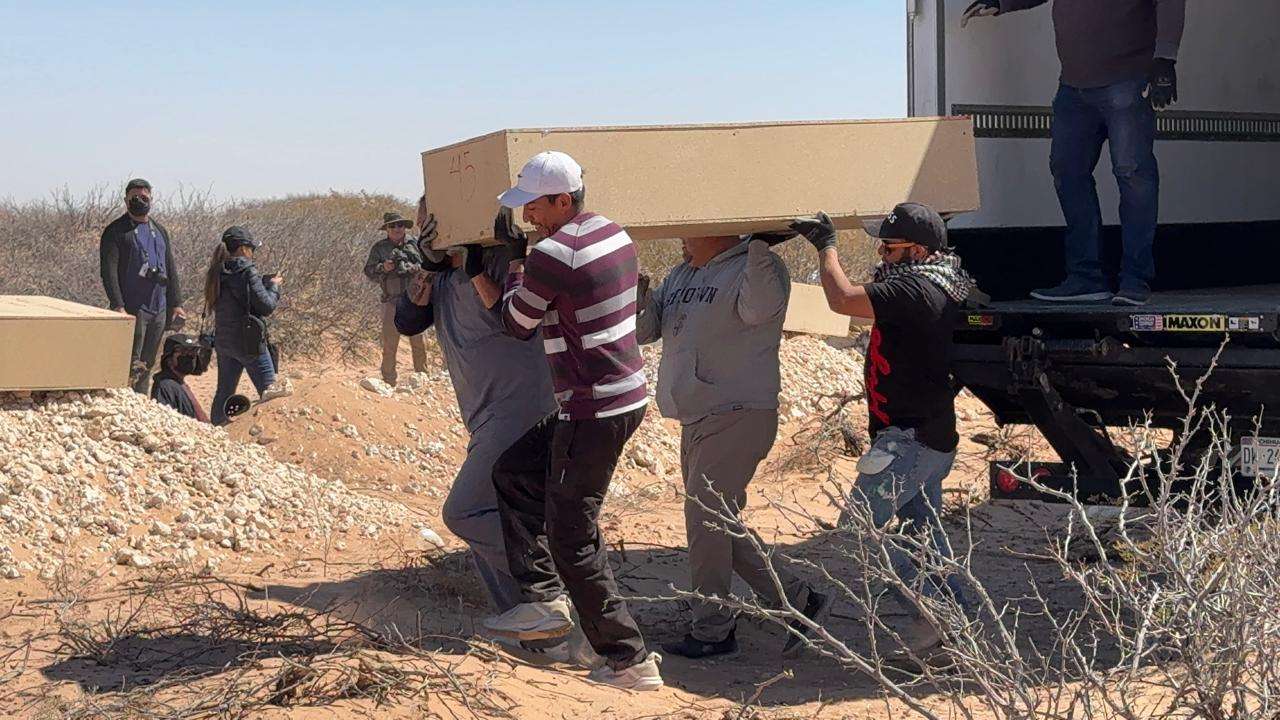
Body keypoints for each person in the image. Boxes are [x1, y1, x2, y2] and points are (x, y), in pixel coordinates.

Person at [483, 150, 662, 690]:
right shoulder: (613, 232)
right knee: (514, 472)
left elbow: (517, 323)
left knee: (572, 537)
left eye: (534, 206)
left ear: (563, 201)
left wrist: (514, 266)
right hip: (617, 397)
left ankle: (628, 659)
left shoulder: (553, 253)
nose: (526, 217)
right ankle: (543, 600)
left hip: (592, 407)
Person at [792, 203, 975, 664]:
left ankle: (936, 619)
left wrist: (827, 248)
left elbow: (842, 300)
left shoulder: (916, 288)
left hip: (910, 441)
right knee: (923, 538)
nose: (882, 253)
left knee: (859, 533)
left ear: (918, 251)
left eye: (890, 248)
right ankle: (959, 627)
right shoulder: (937, 281)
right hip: (926, 436)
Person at [635, 233, 828, 658]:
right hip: (696, 416)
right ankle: (798, 598)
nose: (682, 236)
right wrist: (637, 290)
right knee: (717, 523)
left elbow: (759, 310)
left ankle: (713, 629)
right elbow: (643, 331)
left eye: (692, 228)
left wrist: (758, 245)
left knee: (705, 517)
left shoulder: (757, 268)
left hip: (739, 412)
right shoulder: (682, 274)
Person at [393, 205, 560, 629]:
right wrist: (431, 264)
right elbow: (406, 321)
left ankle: (556, 582)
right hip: (486, 417)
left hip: (521, 411)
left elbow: (516, 318)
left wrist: (481, 264)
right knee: (494, 520)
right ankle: (529, 625)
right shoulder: (439, 275)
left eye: (429, 220)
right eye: (422, 222)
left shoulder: (498, 261)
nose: (424, 229)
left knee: (465, 512)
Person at [962, 0, 1186, 306]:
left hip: (1128, 80)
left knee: (1133, 174)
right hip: (1073, 86)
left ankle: (1135, 279)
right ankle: (1086, 278)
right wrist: (1002, 3)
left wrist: (1165, 59)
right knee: (1067, 172)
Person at [98, 178, 186, 393]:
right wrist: (117, 305)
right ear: (126, 200)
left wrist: (176, 304)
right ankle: (123, 400)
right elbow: (108, 272)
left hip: (158, 308)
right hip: (132, 308)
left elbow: (170, 268)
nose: (139, 201)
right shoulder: (116, 232)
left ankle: (141, 400)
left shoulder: (159, 230)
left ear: (151, 199)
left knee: (147, 363)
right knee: (131, 362)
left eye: (144, 197)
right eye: (134, 197)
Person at [205, 226, 288, 425]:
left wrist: (261, 284)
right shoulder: (245, 270)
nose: (252, 253)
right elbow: (266, 306)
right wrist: (274, 286)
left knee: (224, 391)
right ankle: (270, 433)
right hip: (249, 342)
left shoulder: (217, 270)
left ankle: (215, 431)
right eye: (252, 248)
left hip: (224, 340)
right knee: (270, 391)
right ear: (243, 248)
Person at [364, 211, 428, 385]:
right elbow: (368, 271)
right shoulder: (379, 248)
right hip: (391, 301)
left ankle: (422, 377)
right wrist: (383, 268)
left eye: (400, 225)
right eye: (392, 226)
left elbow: (428, 265)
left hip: (414, 300)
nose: (397, 229)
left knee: (419, 341)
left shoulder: (415, 244)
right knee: (390, 344)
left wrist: (415, 268)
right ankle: (388, 380)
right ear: (387, 228)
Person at [150, 334, 211, 422]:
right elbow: (165, 421)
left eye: (193, 351)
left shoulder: (179, 384)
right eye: (183, 352)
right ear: (169, 359)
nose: (190, 356)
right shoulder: (166, 386)